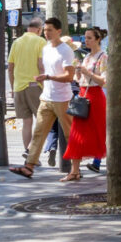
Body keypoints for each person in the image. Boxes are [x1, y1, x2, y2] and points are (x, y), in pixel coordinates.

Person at [10, 18, 78, 179]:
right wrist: (43, 80)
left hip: (62, 99)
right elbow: (42, 67)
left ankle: (75, 170)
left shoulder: (66, 50)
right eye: (45, 30)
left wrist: (48, 76)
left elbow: (69, 76)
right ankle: (29, 166)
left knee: (70, 134)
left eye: (50, 30)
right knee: (39, 132)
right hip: (46, 97)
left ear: (59, 31)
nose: (46, 33)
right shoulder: (46, 48)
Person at [61, 27, 109, 183]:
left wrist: (87, 73)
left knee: (96, 134)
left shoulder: (103, 57)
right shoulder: (87, 56)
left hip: (95, 97)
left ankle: (91, 163)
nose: (85, 40)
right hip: (83, 95)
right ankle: (74, 170)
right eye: (85, 37)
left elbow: (103, 81)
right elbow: (79, 80)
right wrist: (78, 72)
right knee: (76, 134)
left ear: (97, 39)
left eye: (89, 38)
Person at [8, 18, 47, 150]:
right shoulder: (40, 41)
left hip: (19, 87)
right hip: (35, 86)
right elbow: (41, 66)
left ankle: (27, 151)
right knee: (42, 120)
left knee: (26, 122)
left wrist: (12, 87)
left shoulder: (16, 42)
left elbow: (10, 67)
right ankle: (32, 150)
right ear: (39, 29)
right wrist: (45, 86)